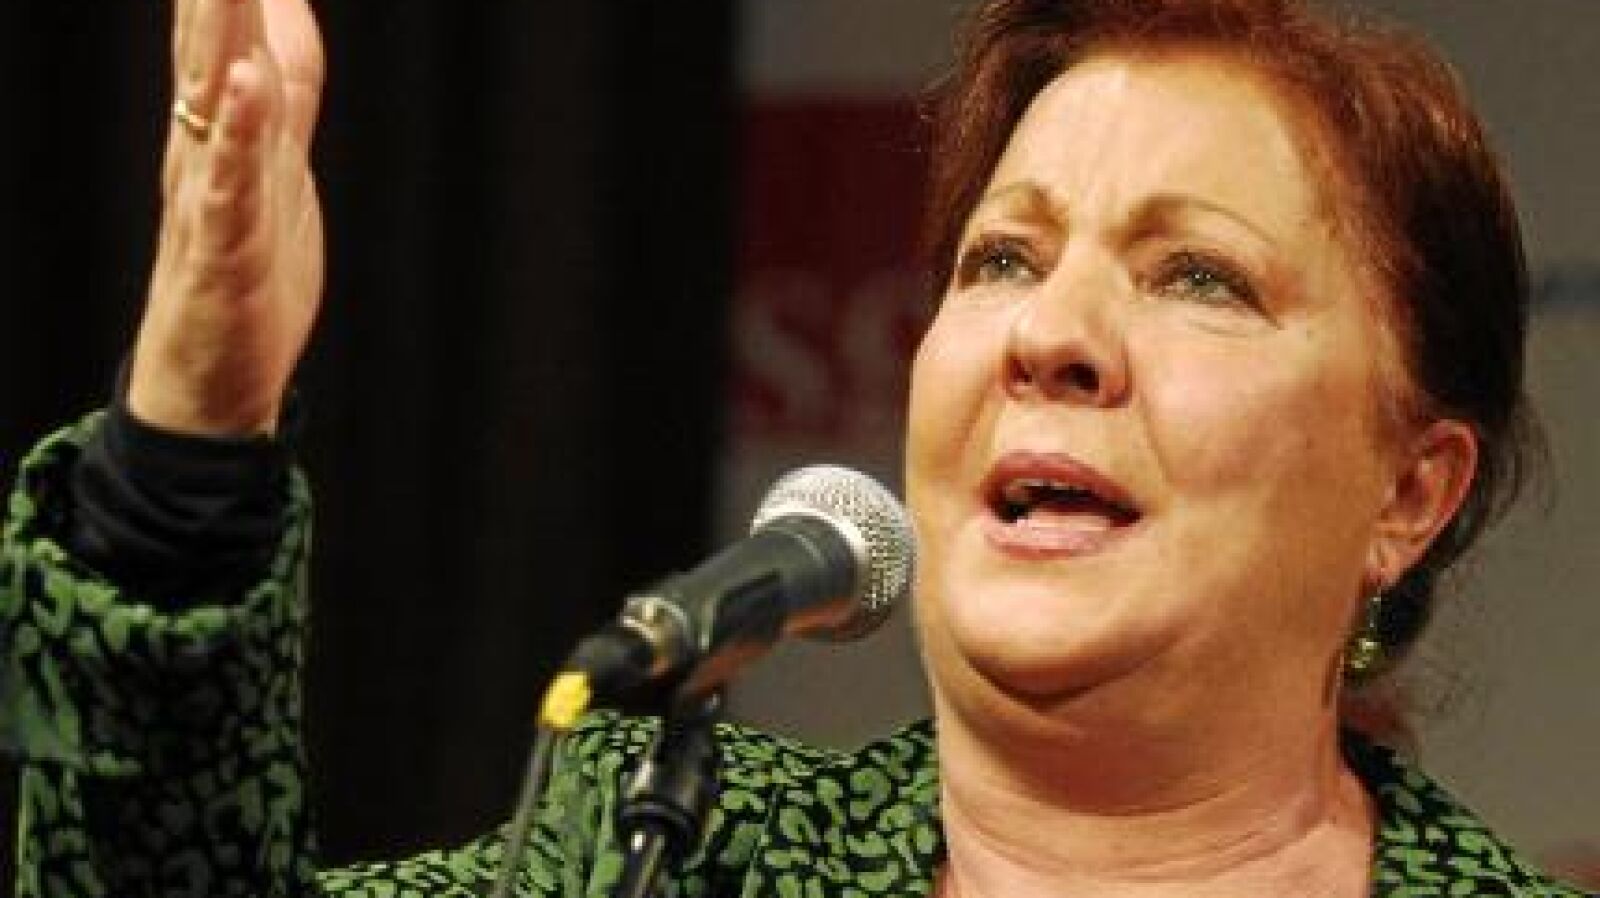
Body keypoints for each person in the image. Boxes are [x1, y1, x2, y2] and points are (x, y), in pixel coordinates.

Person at [0, 0, 1585, 895]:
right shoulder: (671, 848)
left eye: (1198, 277)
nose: (1050, 333)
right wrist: (195, 429)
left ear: (1409, 490)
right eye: (1003, 258)